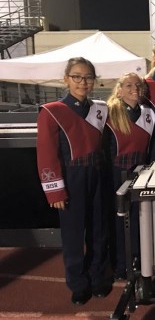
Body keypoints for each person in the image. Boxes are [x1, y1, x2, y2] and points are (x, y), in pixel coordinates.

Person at [36, 57, 111, 305]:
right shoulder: (52, 111)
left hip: (98, 175)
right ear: (66, 79)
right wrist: (55, 192)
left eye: (88, 77)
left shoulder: (101, 108)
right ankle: (78, 284)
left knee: (99, 230)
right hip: (71, 178)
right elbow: (47, 154)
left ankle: (98, 277)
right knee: (73, 234)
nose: (83, 82)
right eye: (77, 76)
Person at [103, 72, 155, 281]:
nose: (134, 88)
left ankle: (138, 260)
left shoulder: (149, 114)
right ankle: (121, 264)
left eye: (138, 85)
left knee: (140, 219)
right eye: (128, 85)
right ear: (119, 89)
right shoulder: (109, 113)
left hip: (141, 173)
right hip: (117, 174)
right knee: (119, 221)